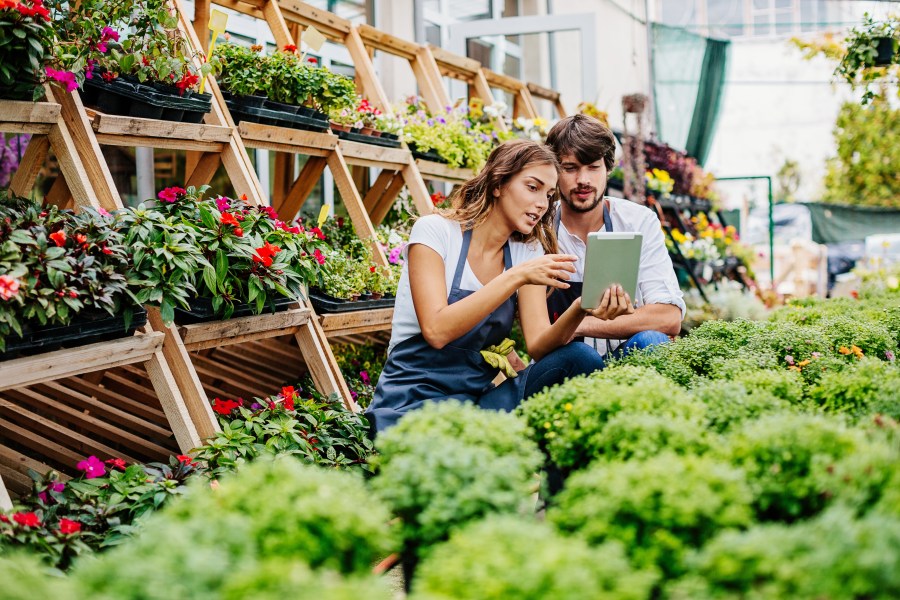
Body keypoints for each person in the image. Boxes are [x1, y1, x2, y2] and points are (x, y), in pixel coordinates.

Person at [366, 139, 608, 434]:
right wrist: (516, 276)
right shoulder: (436, 232)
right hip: (412, 402)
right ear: (498, 184)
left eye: (548, 194)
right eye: (532, 187)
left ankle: (556, 475)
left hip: (476, 403)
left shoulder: (526, 251)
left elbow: (539, 346)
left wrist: (580, 308)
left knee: (580, 359)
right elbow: (436, 331)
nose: (543, 204)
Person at [544, 114, 685, 357]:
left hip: (624, 360)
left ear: (608, 168)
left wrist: (576, 326)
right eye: (570, 168)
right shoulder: (539, 225)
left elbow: (669, 316)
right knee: (580, 356)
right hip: (562, 364)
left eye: (593, 167)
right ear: (554, 172)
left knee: (651, 340)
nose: (583, 180)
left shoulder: (637, 221)